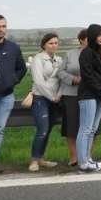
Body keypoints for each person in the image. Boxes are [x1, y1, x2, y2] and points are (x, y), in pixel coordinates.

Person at [0, 14, 27, 172]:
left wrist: (13, 80)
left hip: (6, 96)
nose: (1, 29)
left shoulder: (13, 47)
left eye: (4, 26)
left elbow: (22, 67)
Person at [76, 24, 101, 173]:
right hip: (88, 96)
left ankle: (88, 159)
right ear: (92, 36)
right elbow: (88, 76)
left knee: (92, 129)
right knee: (85, 130)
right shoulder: (86, 53)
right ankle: (83, 163)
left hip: (99, 96)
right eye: (99, 35)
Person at [58, 28, 94, 166]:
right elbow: (60, 72)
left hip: (90, 94)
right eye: (87, 39)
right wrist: (73, 79)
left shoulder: (97, 54)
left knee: (91, 127)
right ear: (81, 40)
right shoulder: (70, 54)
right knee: (72, 126)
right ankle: (74, 156)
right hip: (72, 93)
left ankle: (88, 155)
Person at [28, 33, 62, 172]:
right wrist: (51, 96)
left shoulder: (59, 59)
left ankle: (41, 159)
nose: (54, 45)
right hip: (41, 98)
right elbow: (38, 80)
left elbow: (62, 79)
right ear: (44, 45)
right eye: (51, 43)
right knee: (42, 130)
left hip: (55, 99)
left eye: (56, 43)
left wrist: (58, 95)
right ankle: (34, 160)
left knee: (47, 131)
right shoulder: (38, 58)